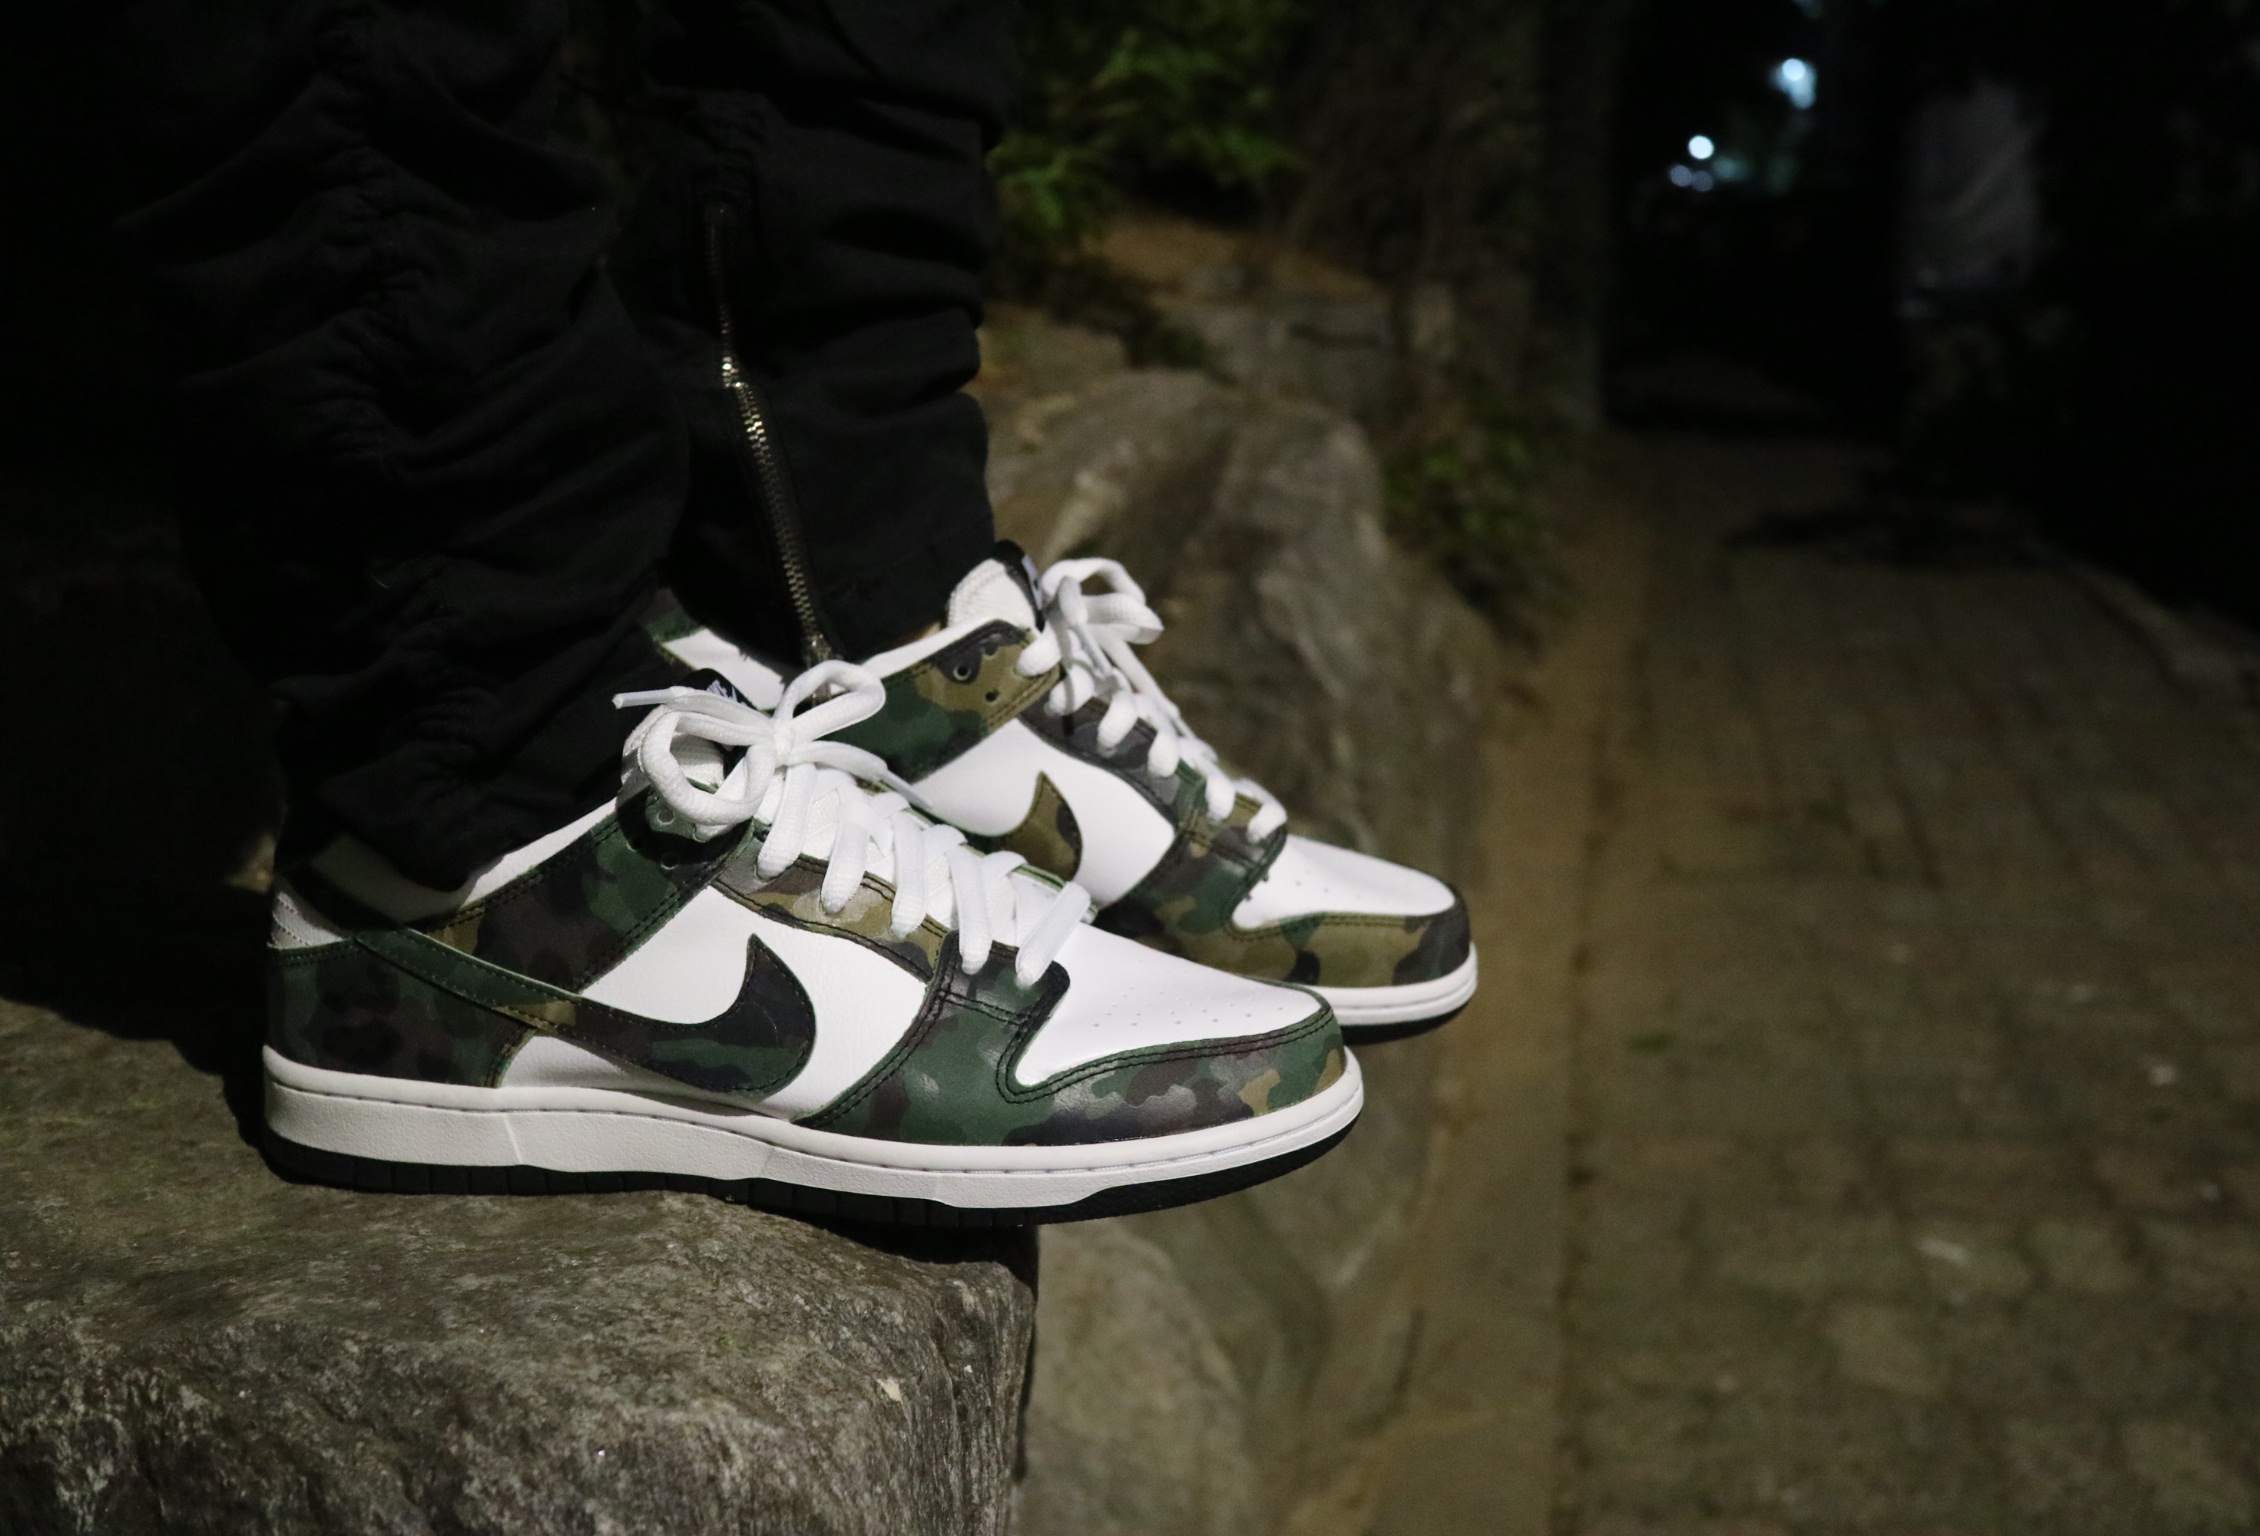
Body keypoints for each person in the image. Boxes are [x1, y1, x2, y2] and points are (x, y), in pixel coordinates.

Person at [107, 0, 1475, 1223]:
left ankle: (848, 593)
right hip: (466, 757)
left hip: (807, 541)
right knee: (384, 56)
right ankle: (490, 824)